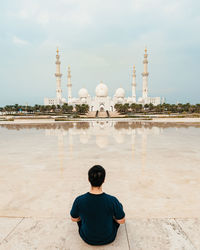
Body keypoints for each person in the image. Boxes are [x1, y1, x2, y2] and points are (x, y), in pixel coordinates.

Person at [70, 165, 125, 245]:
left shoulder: (79, 200)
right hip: (108, 237)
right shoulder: (112, 200)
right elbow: (122, 221)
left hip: (87, 237)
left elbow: (74, 219)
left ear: (88, 179)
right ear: (104, 180)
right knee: (119, 207)